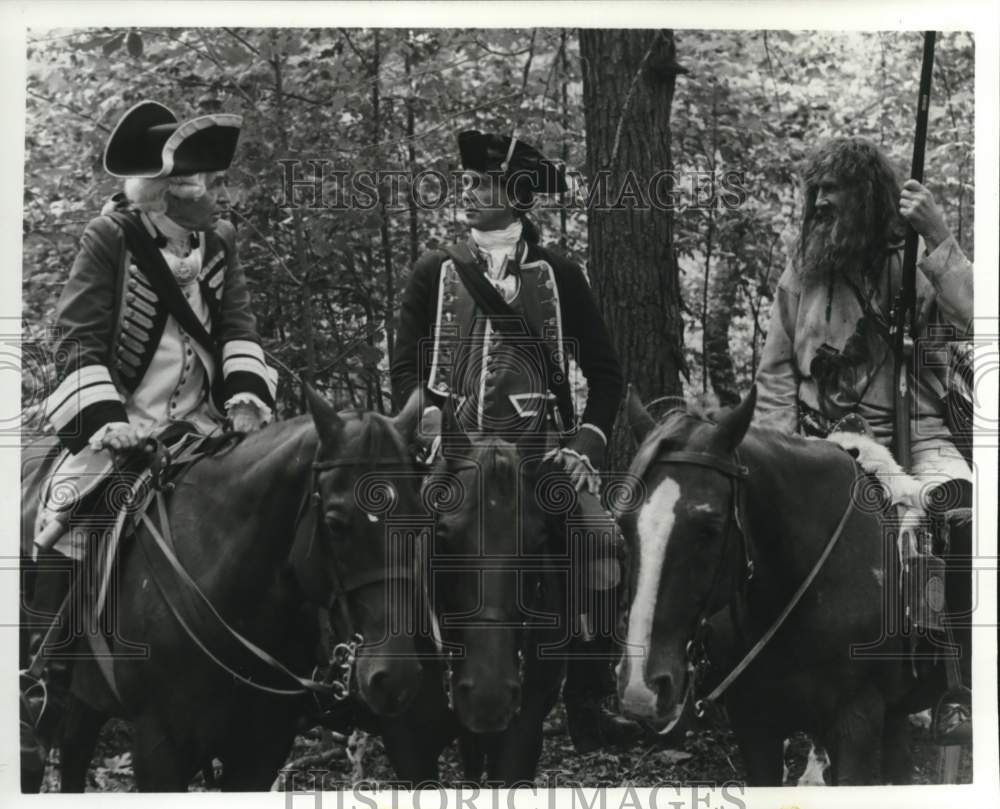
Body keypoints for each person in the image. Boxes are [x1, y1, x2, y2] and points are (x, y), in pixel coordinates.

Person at [24, 100, 276, 726]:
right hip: (122, 418)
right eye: (191, 180)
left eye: (204, 179)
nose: (206, 191)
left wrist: (245, 395)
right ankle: (43, 674)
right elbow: (77, 335)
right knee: (65, 509)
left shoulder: (217, 242)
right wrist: (105, 418)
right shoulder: (111, 236)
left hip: (203, 423)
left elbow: (237, 323)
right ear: (161, 191)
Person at [390, 130, 637, 751]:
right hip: (453, 456)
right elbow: (403, 371)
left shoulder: (559, 274)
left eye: (484, 184)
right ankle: (384, 696)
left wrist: (583, 444)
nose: (468, 193)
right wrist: (426, 424)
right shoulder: (434, 271)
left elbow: (607, 376)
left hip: (540, 456)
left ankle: (587, 699)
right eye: (468, 182)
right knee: (391, 545)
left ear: (519, 197)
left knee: (604, 546)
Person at [754, 136, 973, 738]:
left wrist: (938, 237)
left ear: (868, 198)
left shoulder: (914, 265)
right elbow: (775, 373)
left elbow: (980, 313)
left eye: (834, 191)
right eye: (815, 191)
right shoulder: (802, 273)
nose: (820, 202)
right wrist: (775, 450)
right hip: (821, 440)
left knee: (956, 511)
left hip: (918, 433)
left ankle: (952, 680)